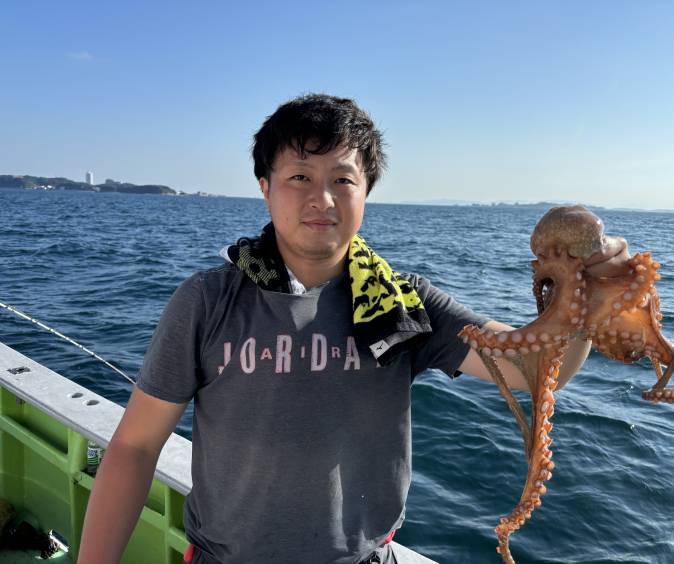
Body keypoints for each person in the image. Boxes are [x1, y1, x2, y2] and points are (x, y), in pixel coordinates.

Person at [78, 94, 629, 564]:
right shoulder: (207, 301)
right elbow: (135, 448)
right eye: (299, 177)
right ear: (266, 187)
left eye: (342, 179)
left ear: (366, 191)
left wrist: (590, 298)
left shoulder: (406, 305)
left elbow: (535, 367)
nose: (321, 198)